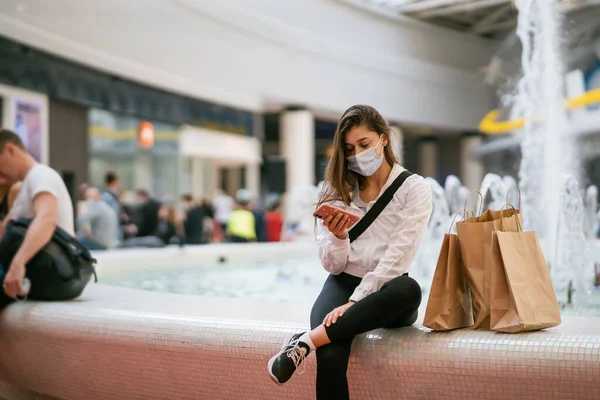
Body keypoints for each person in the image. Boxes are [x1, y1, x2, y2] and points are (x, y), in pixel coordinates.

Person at [267, 105, 432, 399]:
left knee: (409, 289)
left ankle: (304, 342)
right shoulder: (337, 188)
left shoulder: (414, 188)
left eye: (364, 144)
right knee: (330, 355)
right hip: (343, 282)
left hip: (387, 291)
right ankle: (313, 342)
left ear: (384, 138)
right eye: (350, 148)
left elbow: (398, 257)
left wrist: (356, 301)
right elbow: (332, 266)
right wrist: (339, 236)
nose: (357, 155)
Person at [0, 129, 75, 301]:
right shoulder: (23, 188)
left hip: (53, 272)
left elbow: (47, 218)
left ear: (10, 150)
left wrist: (17, 264)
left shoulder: (41, 174)